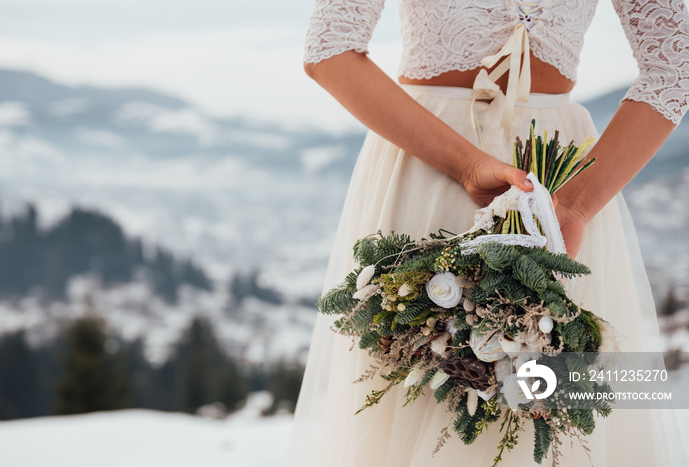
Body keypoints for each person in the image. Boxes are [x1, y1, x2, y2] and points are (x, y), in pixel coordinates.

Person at [284, 0, 689, 465]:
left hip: (558, 190)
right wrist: (468, 164)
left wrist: (577, 204)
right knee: (423, 392)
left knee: (554, 404)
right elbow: (328, 49)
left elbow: (674, 65)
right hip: (429, 161)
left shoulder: (571, 203)